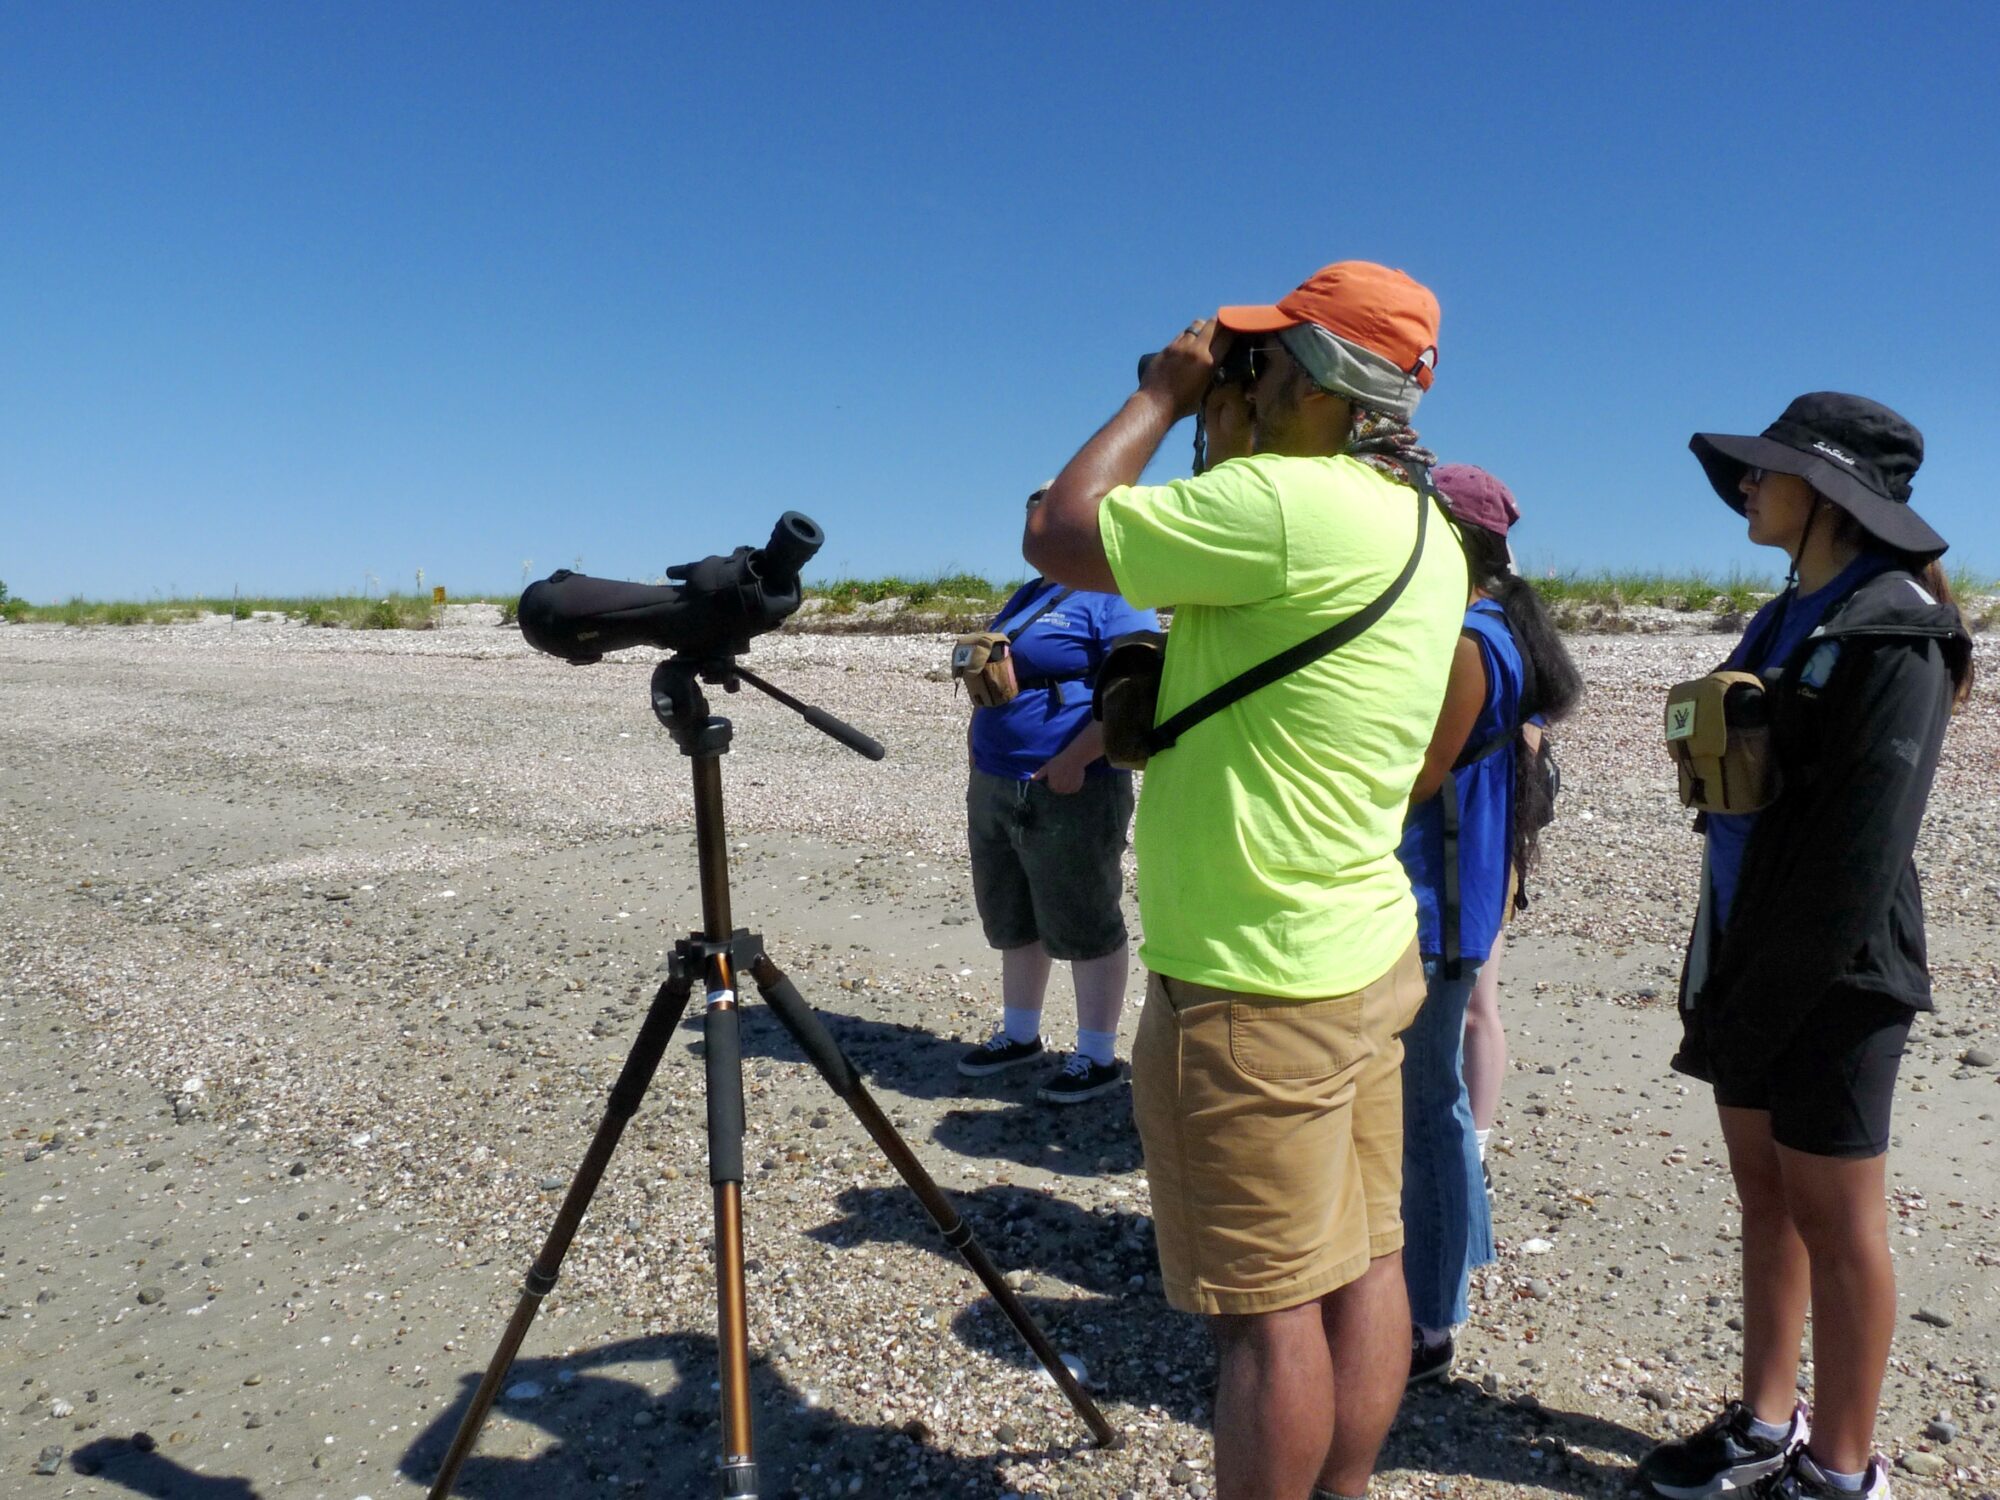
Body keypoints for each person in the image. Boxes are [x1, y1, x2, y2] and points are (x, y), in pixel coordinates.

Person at [1026, 260, 1467, 1500]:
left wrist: (1166, 396)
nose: (1242, 374)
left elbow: (1058, 530)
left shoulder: (1282, 505)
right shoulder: (1421, 529)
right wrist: (1230, 419)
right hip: (1360, 948)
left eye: (1261, 359)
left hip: (1247, 977)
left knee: (1265, 1313)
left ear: (1313, 374)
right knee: (1365, 1262)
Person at [1638, 394, 1974, 1500]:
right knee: (1763, 1197)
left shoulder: (1895, 627)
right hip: (1740, 958)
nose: (1745, 487)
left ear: (1826, 492)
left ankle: (1838, 1473)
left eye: (1763, 472)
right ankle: (1761, 1423)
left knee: (1836, 1223)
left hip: (1831, 978)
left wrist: (1766, 997)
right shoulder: (1788, 615)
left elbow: (1860, 853)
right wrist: (1726, 978)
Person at [1394, 464, 1581, 1385]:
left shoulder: (1467, 638)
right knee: (1441, 1104)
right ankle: (1452, 1267)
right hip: (1465, 892)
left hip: (1434, 900)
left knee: (1425, 1106)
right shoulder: (1512, 630)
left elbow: (1420, 775)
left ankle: (1427, 1320)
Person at [957, 487, 1159, 1103]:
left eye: (1054, 517)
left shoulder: (1116, 596)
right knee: (1014, 914)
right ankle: (1020, 1034)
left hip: (1072, 782)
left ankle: (1096, 1054)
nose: (1041, 528)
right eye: (1035, 518)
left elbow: (1136, 687)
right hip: (998, 776)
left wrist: (1077, 758)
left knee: (1084, 917)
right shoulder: (1029, 595)